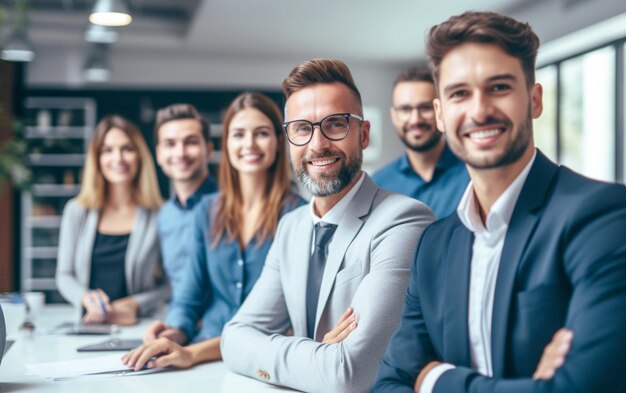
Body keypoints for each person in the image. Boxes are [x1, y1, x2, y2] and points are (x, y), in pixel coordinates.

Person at [372, 11, 626, 393]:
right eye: (459, 93)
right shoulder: (433, 246)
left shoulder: (604, 216)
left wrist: (434, 379)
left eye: (499, 87)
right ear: (441, 114)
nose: (479, 110)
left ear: (535, 100)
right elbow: (389, 385)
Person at [220, 59, 435, 392]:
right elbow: (232, 339)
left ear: (363, 135)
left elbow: (349, 374)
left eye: (335, 125)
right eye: (302, 128)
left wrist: (273, 352)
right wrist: (318, 354)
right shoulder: (290, 227)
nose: (317, 144)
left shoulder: (404, 220)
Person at [122, 92, 305, 370]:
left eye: (262, 133)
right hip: (201, 351)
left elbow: (287, 319)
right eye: (238, 134)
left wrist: (193, 352)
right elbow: (188, 296)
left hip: (262, 362)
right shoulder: (207, 212)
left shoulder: (298, 216)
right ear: (226, 143)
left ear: (279, 141)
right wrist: (175, 330)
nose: (249, 144)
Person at [56, 115, 168, 325]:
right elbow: (64, 275)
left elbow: (171, 285)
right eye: (107, 150)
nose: (118, 158)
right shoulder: (76, 211)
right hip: (89, 325)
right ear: (97, 158)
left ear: (140, 156)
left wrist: (135, 303)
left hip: (140, 327)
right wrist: (85, 297)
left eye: (127, 149)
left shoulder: (161, 214)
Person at [372, 66, 469, 218]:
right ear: (394, 115)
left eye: (425, 108)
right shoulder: (379, 184)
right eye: (405, 109)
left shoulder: (471, 170)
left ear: (439, 111)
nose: (415, 119)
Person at [153, 104, 217, 296]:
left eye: (191, 142)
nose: (180, 153)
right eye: (170, 144)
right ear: (159, 154)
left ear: (209, 149)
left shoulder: (231, 207)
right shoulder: (164, 215)